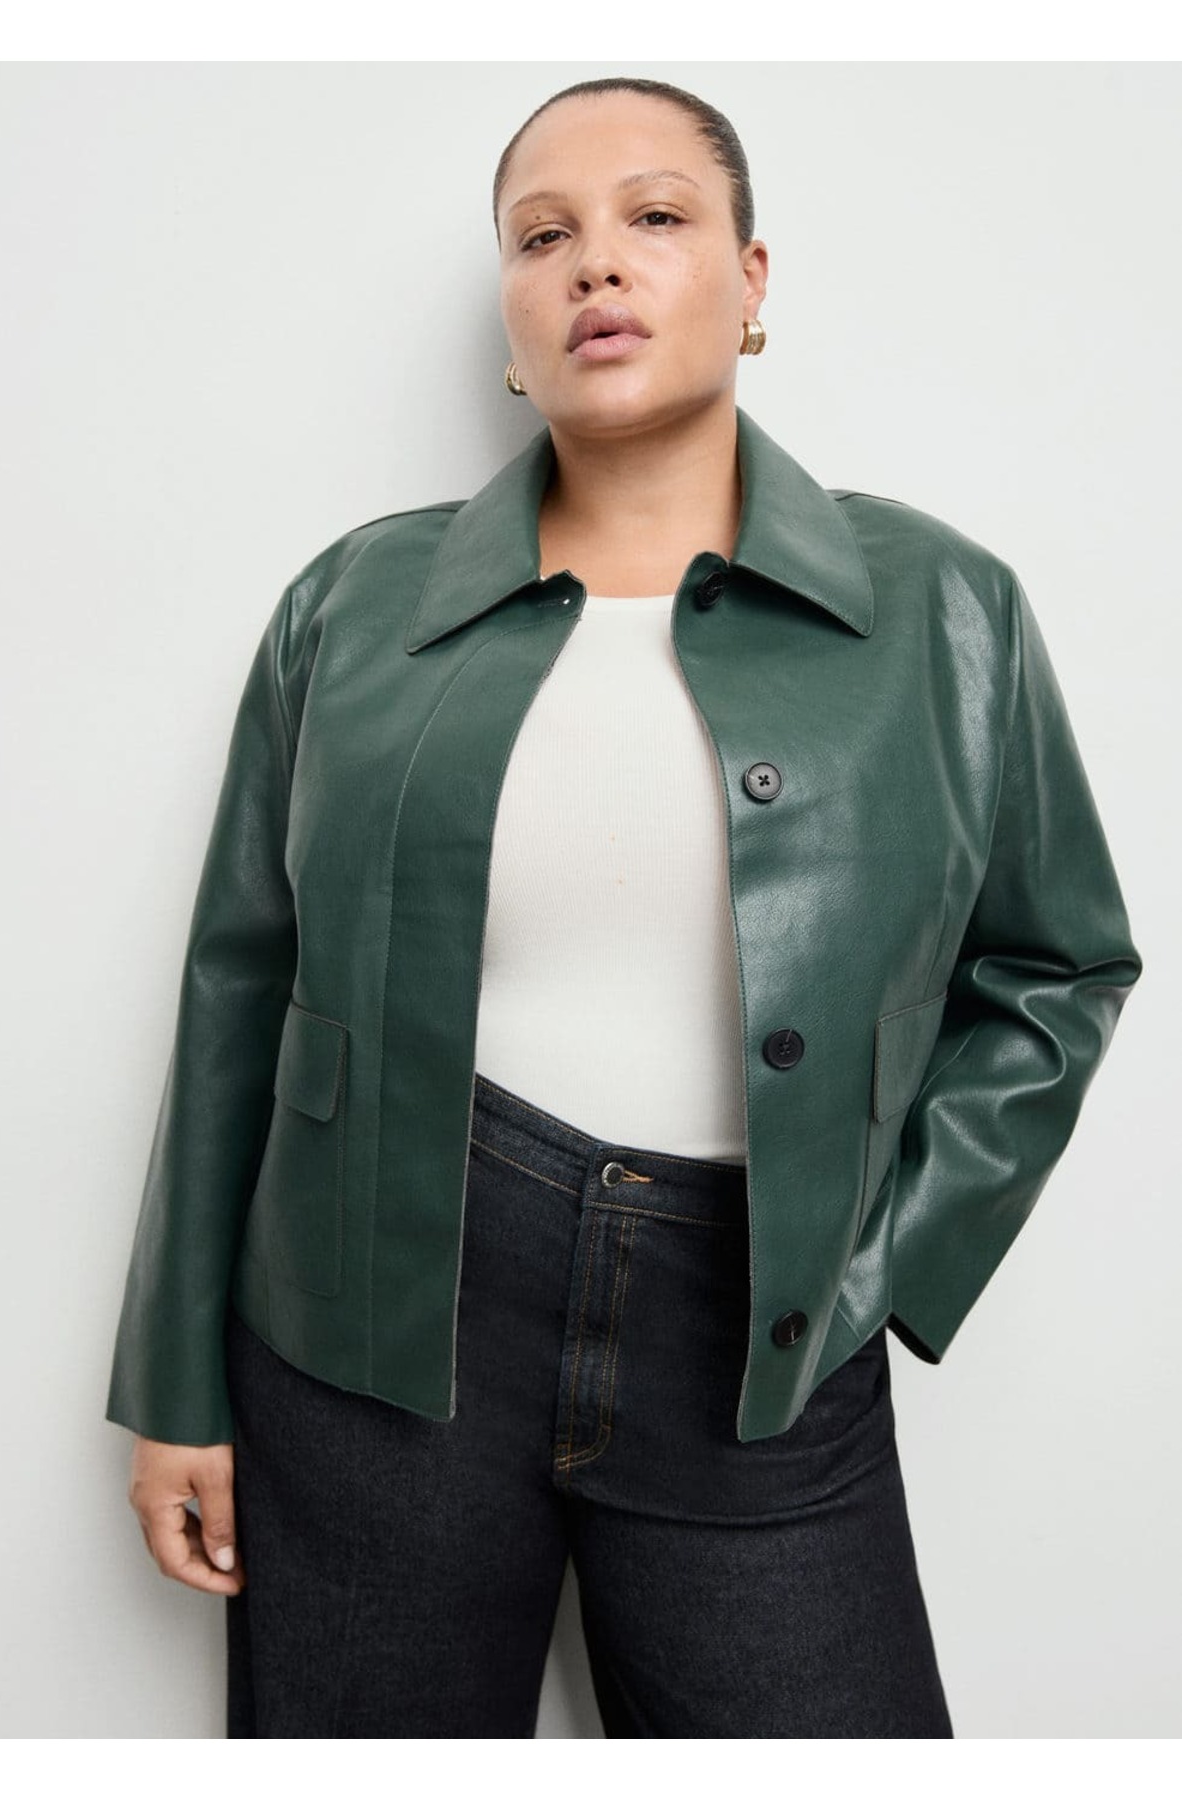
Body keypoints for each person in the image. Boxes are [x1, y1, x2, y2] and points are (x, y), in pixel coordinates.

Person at [105, 76, 1143, 1737]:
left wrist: (886, 1265)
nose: (596, 262)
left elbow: (1060, 963)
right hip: (373, 1328)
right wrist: (172, 1382)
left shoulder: (941, 607)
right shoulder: (354, 604)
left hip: (761, 1347)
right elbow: (239, 982)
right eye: (543, 237)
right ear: (514, 328)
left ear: (750, 281)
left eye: (656, 217)